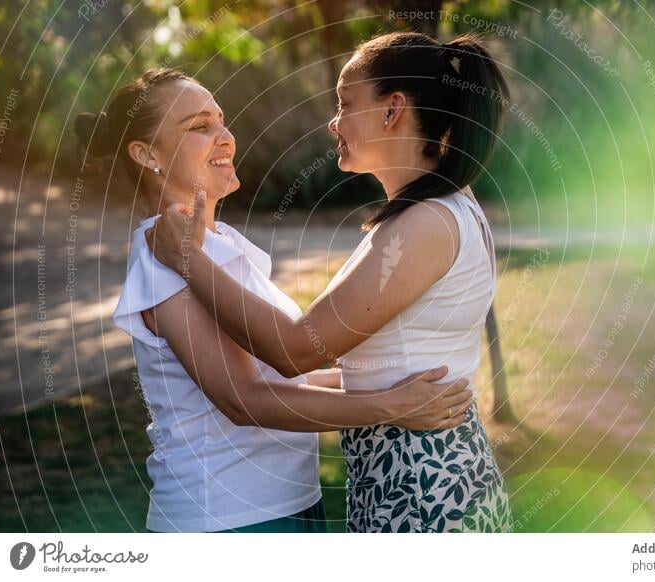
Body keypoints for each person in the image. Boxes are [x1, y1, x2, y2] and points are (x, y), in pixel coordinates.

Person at [74, 67, 473, 533]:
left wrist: (384, 378)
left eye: (221, 121)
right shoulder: (163, 262)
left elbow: (287, 373)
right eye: (199, 126)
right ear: (146, 154)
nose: (225, 137)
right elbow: (245, 400)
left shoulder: (221, 245)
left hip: (291, 504)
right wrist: (392, 407)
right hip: (224, 519)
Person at [148, 31, 513, 533]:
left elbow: (298, 349)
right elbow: (369, 366)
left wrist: (188, 257)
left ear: (392, 110)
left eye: (345, 104)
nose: (333, 122)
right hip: (408, 471)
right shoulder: (435, 210)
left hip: (423, 484)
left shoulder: (425, 223)